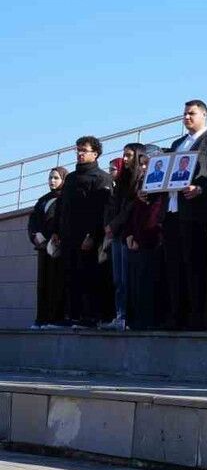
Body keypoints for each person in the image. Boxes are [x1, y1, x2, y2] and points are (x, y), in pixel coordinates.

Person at [162, 100, 207, 330]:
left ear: (204, 115)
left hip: (196, 214)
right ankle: (176, 316)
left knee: (196, 267)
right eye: (184, 114)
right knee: (174, 268)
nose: (186, 118)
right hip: (172, 211)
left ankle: (198, 317)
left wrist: (202, 189)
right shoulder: (177, 144)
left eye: (191, 113)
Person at [56, 136, 113, 328]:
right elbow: (62, 206)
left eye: (84, 150)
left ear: (95, 154)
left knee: (88, 276)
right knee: (69, 276)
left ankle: (89, 316)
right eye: (78, 150)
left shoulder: (101, 178)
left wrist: (91, 235)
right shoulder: (71, 178)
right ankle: (71, 315)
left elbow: (100, 211)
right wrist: (57, 231)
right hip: (67, 237)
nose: (80, 154)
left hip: (87, 238)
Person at [118, 146, 167, 331]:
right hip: (137, 241)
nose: (144, 168)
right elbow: (135, 212)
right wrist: (129, 234)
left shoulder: (164, 184)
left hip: (153, 240)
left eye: (147, 164)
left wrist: (142, 236)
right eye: (142, 164)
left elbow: (155, 215)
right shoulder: (141, 184)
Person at [102, 143, 149, 331]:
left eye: (129, 155)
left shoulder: (139, 179)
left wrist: (114, 224)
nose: (126, 158)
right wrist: (109, 225)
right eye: (124, 155)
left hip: (128, 232)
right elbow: (112, 205)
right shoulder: (122, 181)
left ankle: (129, 317)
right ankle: (120, 315)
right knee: (118, 279)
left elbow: (131, 207)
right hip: (117, 233)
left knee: (128, 278)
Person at [28, 167, 68, 328]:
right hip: (42, 248)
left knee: (56, 283)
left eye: (56, 178)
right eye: (51, 178)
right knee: (43, 285)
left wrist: (52, 235)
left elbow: (62, 220)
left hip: (57, 248)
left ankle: (55, 318)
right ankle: (41, 318)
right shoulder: (43, 200)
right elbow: (34, 221)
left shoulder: (66, 198)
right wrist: (35, 235)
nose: (52, 181)